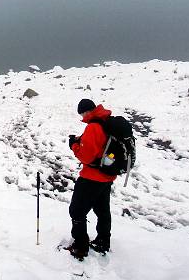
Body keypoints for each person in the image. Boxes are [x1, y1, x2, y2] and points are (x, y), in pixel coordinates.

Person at [66, 99, 116, 260]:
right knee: (102, 210)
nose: (82, 116)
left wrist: (74, 145)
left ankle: (80, 247)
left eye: (82, 113)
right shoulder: (105, 121)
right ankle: (103, 241)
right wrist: (82, 140)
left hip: (92, 177)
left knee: (77, 211)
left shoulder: (93, 126)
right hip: (106, 175)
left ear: (87, 111)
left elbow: (86, 157)